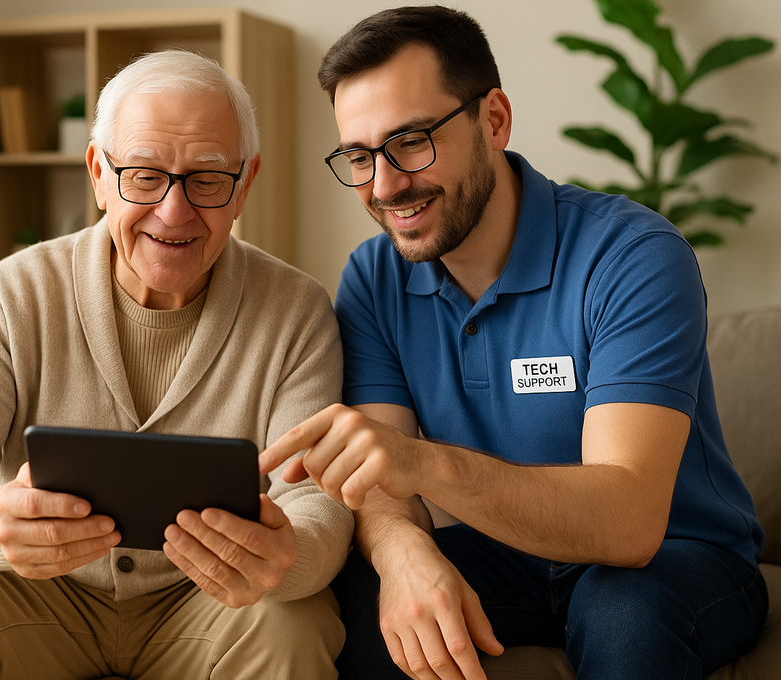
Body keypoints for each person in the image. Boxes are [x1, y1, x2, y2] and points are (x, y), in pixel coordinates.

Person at [260, 6, 767, 680]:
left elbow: (627, 524)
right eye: (359, 155)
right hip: (507, 554)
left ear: (493, 120)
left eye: (411, 141)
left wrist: (422, 464)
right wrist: (406, 554)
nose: (384, 186)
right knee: (363, 601)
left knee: (625, 612)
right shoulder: (375, 278)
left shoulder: (633, 255)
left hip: (678, 556)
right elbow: (381, 485)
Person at [0, 50, 353, 680]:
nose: (173, 213)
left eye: (206, 179)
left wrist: (290, 553)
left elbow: (315, 499)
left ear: (244, 184)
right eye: (144, 175)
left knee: (297, 616)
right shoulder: (12, 293)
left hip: (210, 605)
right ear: (98, 172)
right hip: (40, 597)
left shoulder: (297, 311)